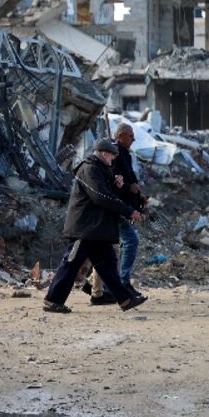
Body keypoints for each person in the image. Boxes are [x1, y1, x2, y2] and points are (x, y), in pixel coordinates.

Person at [43, 139, 147, 314]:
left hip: (97, 229)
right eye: (112, 156)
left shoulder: (101, 170)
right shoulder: (89, 169)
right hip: (85, 228)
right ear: (104, 153)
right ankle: (52, 301)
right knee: (71, 263)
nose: (113, 160)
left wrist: (117, 186)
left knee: (108, 264)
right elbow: (100, 197)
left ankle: (125, 299)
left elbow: (107, 194)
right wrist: (129, 211)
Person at [89, 123, 145, 305]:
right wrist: (128, 191)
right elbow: (108, 189)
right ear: (120, 136)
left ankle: (98, 289)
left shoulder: (124, 155)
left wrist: (138, 198)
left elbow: (127, 180)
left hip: (119, 208)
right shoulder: (101, 163)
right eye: (130, 136)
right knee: (128, 242)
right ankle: (120, 284)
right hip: (114, 209)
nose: (133, 139)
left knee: (104, 252)